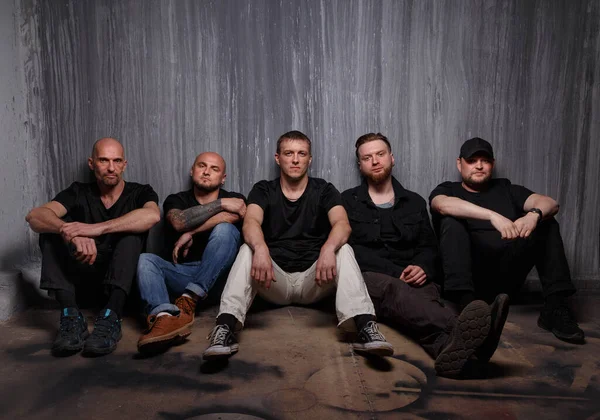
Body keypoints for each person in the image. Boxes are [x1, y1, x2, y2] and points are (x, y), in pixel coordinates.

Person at [202, 130, 393, 360]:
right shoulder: (263, 189)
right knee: (248, 248)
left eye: (301, 154)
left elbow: (342, 224)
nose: (295, 159)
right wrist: (261, 248)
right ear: (277, 158)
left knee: (343, 248)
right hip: (273, 279)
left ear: (309, 159)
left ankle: (365, 327)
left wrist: (328, 248)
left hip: (315, 281)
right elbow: (251, 221)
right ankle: (225, 327)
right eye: (288, 153)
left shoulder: (324, 189)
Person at [342, 133, 507, 376]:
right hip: (371, 279)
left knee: (424, 307)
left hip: (414, 278)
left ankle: (457, 359)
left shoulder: (414, 202)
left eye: (380, 154)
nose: (375, 161)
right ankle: (466, 327)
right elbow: (350, 249)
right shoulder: (348, 200)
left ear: (392, 158)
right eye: (367, 157)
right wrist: (396, 273)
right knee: (396, 290)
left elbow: (429, 246)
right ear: (360, 165)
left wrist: (422, 267)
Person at [429, 137, 584, 344]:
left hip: (505, 279)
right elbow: (442, 205)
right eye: (472, 160)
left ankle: (555, 307)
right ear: (460, 163)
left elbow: (550, 203)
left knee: (546, 222)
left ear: (492, 164)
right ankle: (468, 310)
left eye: (484, 160)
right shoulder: (449, 190)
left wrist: (533, 215)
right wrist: (493, 216)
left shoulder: (507, 189)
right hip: (469, 282)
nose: (479, 165)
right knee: (451, 221)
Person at [25, 137, 160, 356]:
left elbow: (152, 216)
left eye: (117, 161)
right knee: (50, 233)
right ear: (91, 163)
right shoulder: (78, 191)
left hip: (120, 290)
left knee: (131, 234)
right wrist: (68, 231)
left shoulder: (139, 192)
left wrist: (95, 229)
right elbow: (35, 216)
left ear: (124, 165)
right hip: (81, 287)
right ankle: (71, 317)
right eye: (103, 160)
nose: (111, 168)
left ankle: (111, 318)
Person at [136, 152, 245, 353]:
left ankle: (190, 298)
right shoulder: (176, 199)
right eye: (202, 166)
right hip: (185, 276)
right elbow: (179, 221)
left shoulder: (236, 199)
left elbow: (232, 217)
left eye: (214, 169)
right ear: (192, 170)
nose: (206, 172)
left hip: (222, 280)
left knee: (225, 230)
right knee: (146, 260)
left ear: (223, 178)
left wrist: (192, 232)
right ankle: (165, 319)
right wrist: (221, 204)